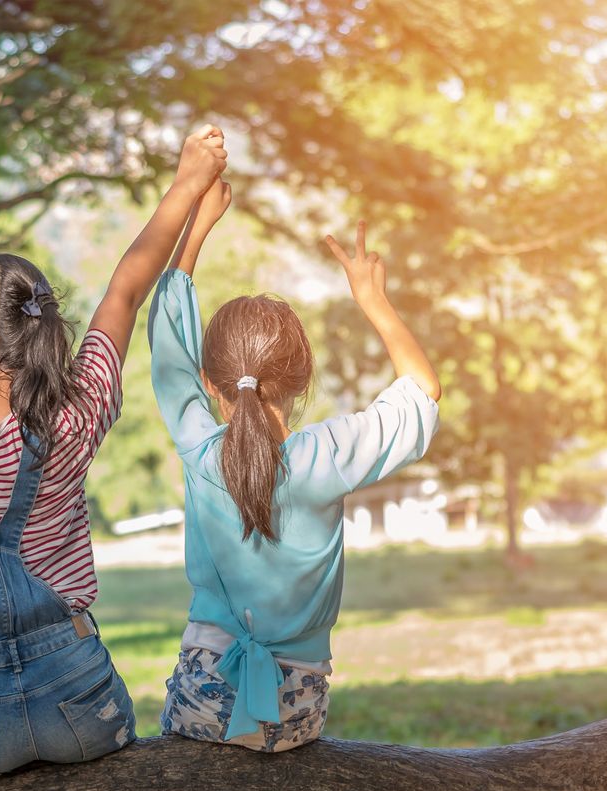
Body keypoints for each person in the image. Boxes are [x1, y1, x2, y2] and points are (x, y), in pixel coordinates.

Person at [0, 119, 229, 775]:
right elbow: (126, 288)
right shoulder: (76, 410)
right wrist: (188, 183)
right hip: (77, 703)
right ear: (41, 325)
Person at [151, 181, 442, 751]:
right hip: (297, 713)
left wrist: (195, 231)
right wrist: (373, 300)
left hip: (203, 700)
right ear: (301, 382)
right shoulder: (328, 456)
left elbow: (168, 354)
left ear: (211, 384)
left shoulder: (199, 449)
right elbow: (422, 393)